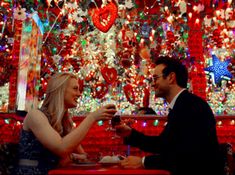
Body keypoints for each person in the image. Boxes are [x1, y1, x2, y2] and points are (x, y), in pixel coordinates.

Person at [116, 56, 224, 175]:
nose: (153, 84)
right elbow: (164, 144)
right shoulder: (181, 105)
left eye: (156, 78)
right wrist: (130, 134)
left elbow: (188, 156)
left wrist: (143, 162)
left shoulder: (192, 106)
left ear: (171, 78)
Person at [13, 72, 117, 175]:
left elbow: (83, 156)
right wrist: (92, 117)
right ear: (60, 90)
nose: (79, 94)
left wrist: (72, 156)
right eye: (75, 89)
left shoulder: (65, 122)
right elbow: (61, 148)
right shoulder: (35, 115)